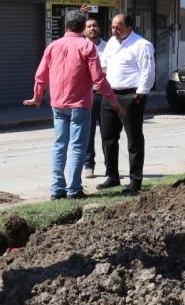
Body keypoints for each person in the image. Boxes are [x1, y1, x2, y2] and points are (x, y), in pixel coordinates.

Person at [23, 10, 125, 200]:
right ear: (83, 28)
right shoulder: (87, 47)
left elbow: (40, 74)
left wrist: (37, 97)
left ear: (66, 26)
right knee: (77, 146)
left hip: (58, 103)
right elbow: (98, 79)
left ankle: (57, 189)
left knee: (59, 145)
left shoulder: (53, 46)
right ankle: (74, 189)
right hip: (79, 104)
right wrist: (112, 99)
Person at [97, 13, 154, 196]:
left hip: (131, 95)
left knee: (134, 140)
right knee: (108, 138)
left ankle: (135, 182)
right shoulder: (112, 43)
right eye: (113, 27)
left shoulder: (141, 45)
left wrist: (140, 95)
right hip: (110, 94)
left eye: (118, 27)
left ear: (129, 27)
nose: (114, 31)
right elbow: (104, 64)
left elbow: (148, 71)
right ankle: (112, 176)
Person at [82, 17, 106, 179]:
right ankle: (89, 165)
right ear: (84, 30)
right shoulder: (81, 46)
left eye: (95, 25)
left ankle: (110, 166)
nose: (92, 28)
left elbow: (110, 68)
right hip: (88, 95)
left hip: (104, 94)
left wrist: (96, 72)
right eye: (89, 26)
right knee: (88, 133)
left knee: (108, 132)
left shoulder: (109, 46)